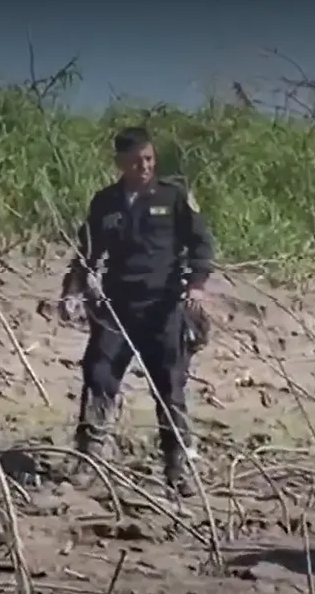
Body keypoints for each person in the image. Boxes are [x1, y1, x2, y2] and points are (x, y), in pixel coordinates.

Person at [58, 126, 215, 494]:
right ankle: (90, 456)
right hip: (117, 306)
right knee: (98, 373)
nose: (144, 166)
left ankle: (179, 465)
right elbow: (87, 252)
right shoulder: (106, 202)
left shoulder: (174, 197)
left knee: (169, 385)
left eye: (148, 159)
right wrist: (72, 291)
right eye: (135, 161)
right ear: (120, 163)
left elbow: (201, 245)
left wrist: (196, 284)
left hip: (162, 307)